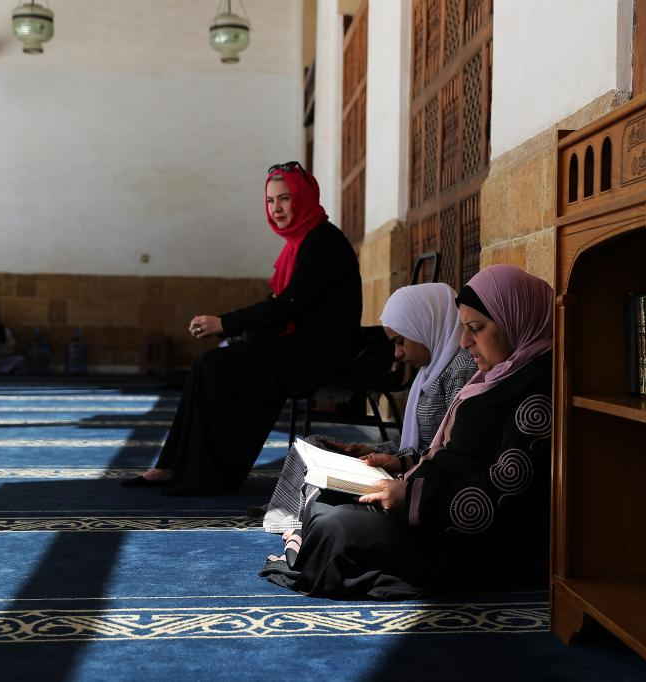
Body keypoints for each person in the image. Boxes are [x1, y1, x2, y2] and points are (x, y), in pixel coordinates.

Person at [259, 264, 554, 599]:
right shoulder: (494, 374)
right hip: (424, 502)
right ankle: (315, 547)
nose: (464, 342)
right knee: (324, 502)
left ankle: (312, 548)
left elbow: (508, 489)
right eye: (464, 329)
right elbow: (449, 451)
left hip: (462, 536)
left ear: (515, 319)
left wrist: (413, 498)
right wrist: (403, 470)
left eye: (476, 328)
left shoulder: (536, 392)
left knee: (333, 527)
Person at [123, 162, 362, 495]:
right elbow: (282, 305)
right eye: (270, 201)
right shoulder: (301, 241)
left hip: (319, 354)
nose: (276, 208)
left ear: (303, 198)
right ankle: (172, 465)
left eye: (285, 198)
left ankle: (207, 475)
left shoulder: (322, 241)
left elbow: (288, 306)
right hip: (299, 345)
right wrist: (231, 328)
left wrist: (225, 324)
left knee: (216, 367)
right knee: (206, 365)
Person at [261, 282, 477, 533]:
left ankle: (298, 522)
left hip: (418, 475)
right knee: (314, 444)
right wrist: (371, 450)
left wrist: (393, 461)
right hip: (406, 461)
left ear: (425, 326)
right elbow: (418, 440)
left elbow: (443, 452)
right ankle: (290, 516)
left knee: (325, 480)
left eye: (400, 341)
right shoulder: (429, 372)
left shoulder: (460, 370)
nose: (397, 354)